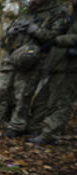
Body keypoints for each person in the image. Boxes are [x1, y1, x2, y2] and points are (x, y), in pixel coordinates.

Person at [0, 0, 68, 136]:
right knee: (1, 90)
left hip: (33, 59)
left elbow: (55, 38)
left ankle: (16, 125)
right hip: (11, 57)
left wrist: (34, 30)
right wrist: (10, 33)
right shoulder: (25, 13)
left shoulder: (57, 12)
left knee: (23, 93)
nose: (31, 2)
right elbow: (4, 41)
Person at [28, 0, 77, 144]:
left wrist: (57, 40)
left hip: (72, 68)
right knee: (42, 100)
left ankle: (50, 134)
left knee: (62, 102)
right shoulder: (70, 14)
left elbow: (70, 38)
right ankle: (35, 128)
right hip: (58, 65)